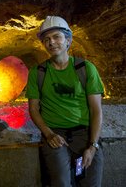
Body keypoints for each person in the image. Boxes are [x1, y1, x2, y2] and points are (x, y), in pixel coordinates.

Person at [26, 16, 104, 187]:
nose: (51, 42)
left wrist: (92, 146)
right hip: (56, 135)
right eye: (46, 39)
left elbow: (96, 110)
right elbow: (33, 108)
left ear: (68, 40)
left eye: (56, 37)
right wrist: (48, 134)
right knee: (61, 182)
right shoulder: (38, 73)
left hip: (85, 134)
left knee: (90, 183)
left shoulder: (85, 68)